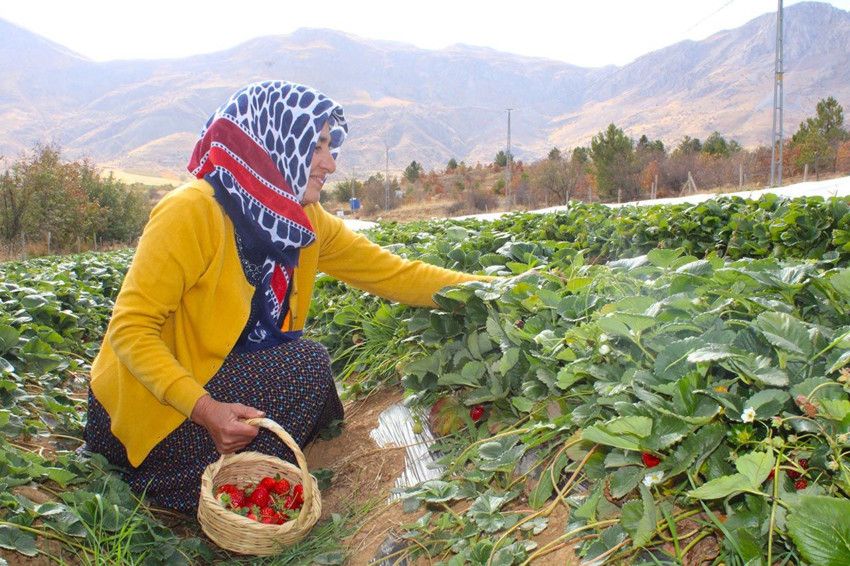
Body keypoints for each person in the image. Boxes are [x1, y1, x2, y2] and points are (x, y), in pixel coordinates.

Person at [83, 81, 490, 513]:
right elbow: (131, 330)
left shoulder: (301, 219)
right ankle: (160, 488)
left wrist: (492, 289)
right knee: (305, 367)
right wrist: (205, 409)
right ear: (271, 144)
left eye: (331, 147)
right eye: (316, 147)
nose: (330, 164)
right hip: (141, 411)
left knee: (317, 389)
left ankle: (242, 481)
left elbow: (395, 273)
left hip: (213, 375)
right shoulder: (192, 211)